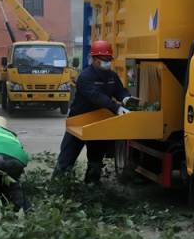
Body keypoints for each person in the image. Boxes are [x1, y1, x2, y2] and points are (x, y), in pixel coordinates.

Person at [52, 40, 139, 183]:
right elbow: (97, 97)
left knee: (95, 162)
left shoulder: (112, 76)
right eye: (104, 60)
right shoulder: (85, 77)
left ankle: (91, 188)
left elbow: (119, 90)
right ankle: (57, 188)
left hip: (99, 123)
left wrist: (126, 99)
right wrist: (116, 108)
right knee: (66, 161)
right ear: (94, 59)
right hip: (79, 122)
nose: (107, 62)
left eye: (109, 59)